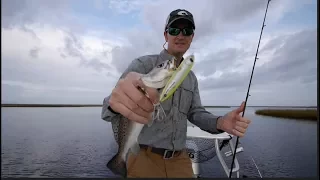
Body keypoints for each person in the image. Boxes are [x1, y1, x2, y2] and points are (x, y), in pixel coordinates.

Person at [101, 9, 252, 178]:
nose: (180, 35)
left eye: (187, 31)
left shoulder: (191, 78)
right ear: (166, 35)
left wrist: (221, 122)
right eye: (174, 30)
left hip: (180, 159)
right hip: (142, 158)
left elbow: (196, 113)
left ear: (192, 37)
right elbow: (108, 110)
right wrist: (114, 105)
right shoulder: (142, 65)